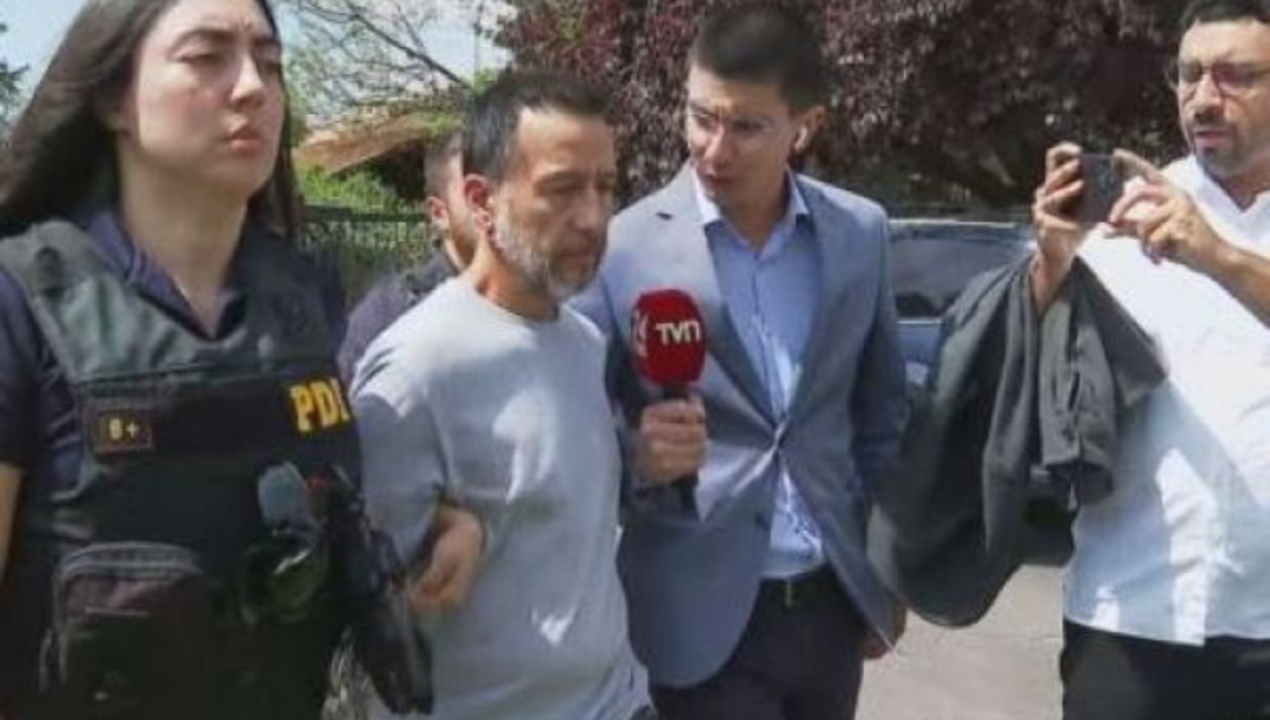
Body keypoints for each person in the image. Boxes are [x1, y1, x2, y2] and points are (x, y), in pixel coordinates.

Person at [0, 0, 433, 717]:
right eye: (206, 57)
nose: (252, 88)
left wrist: (442, 524)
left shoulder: (306, 298)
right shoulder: (22, 303)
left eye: (270, 63)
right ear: (112, 99)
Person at [573, 5, 908, 719]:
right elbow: (573, 427)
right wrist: (636, 456)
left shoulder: (859, 233)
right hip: (694, 614)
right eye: (701, 118)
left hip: (830, 603)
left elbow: (881, 416)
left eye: (747, 127)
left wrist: (886, 570)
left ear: (805, 126)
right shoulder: (623, 248)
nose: (715, 150)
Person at [350, 70, 652, 720]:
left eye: (605, 187)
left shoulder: (584, 342)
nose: (593, 218)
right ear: (481, 201)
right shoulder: (417, 368)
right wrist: (438, 528)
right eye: (563, 189)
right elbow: (361, 580)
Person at [1030, 1, 1270, 717]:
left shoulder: (1186, 230)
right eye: (1190, 75)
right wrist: (1049, 266)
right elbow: (1030, 382)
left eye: (1236, 75)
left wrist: (1218, 257)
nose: (1205, 97)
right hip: (1131, 617)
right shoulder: (1122, 217)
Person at [337, 130, 476, 383]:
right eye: (474, 193)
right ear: (439, 214)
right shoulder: (392, 311)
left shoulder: (541, 304)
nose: (494, 202)